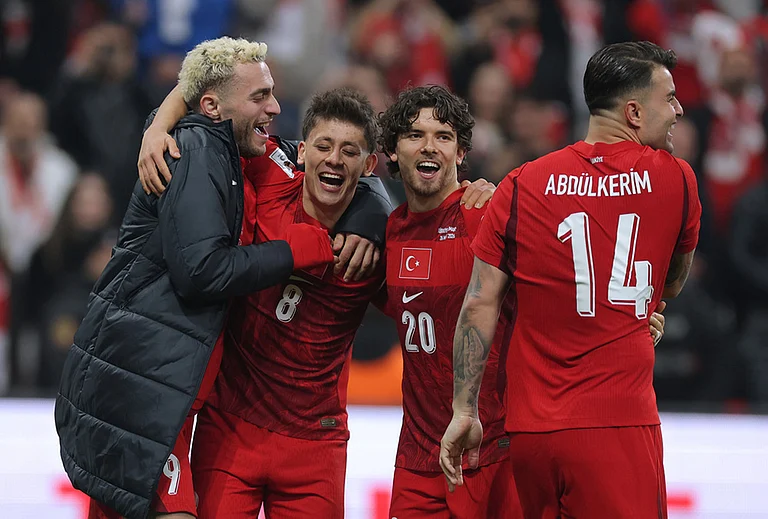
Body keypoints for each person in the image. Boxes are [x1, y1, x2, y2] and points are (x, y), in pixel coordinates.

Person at [54, 37, 352, 519]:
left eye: (272, 92)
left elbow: (342, 163)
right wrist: (294, 252)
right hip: (146, 391)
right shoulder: (194, 149)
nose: (275, 106)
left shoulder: (219, 146)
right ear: (213, 106)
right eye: (259, 96)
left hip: (151, 386)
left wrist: (371, 217)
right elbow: (200, 272)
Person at [440, 41, 700, 519]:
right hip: (617, 424)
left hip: (533, 434)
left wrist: (464, 411)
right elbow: (671, 283)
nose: (680, 110)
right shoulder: (676, 179)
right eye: (670, 98)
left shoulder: (521, 183)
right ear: (635, 112)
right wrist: (636, 307)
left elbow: (479, 303)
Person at [190, 88, 384, 518]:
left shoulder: (377, 250)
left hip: (315, 444)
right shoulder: (272, 173)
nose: (334, 159)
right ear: (301, 151)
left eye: (350, 151)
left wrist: (380, 213)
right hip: (230, 428)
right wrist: (154, 132)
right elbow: (206, 122)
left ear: (369, 166)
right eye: (324, 146)